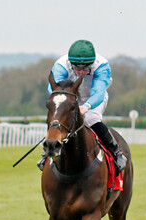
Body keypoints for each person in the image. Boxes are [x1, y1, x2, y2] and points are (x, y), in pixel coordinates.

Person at [38, 40, 127, 173]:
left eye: (85, 68)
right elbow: (54, 89)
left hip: (93, 98)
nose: (81, 72)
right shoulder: (61, 66)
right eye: (77, 68)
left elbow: (99, 92)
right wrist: (63, 103)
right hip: (68, 97)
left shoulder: (101, 66)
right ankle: (47, 151)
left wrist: (86, 106)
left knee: (91, 120)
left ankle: (116, 151)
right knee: (57, 117)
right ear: (71, 63)